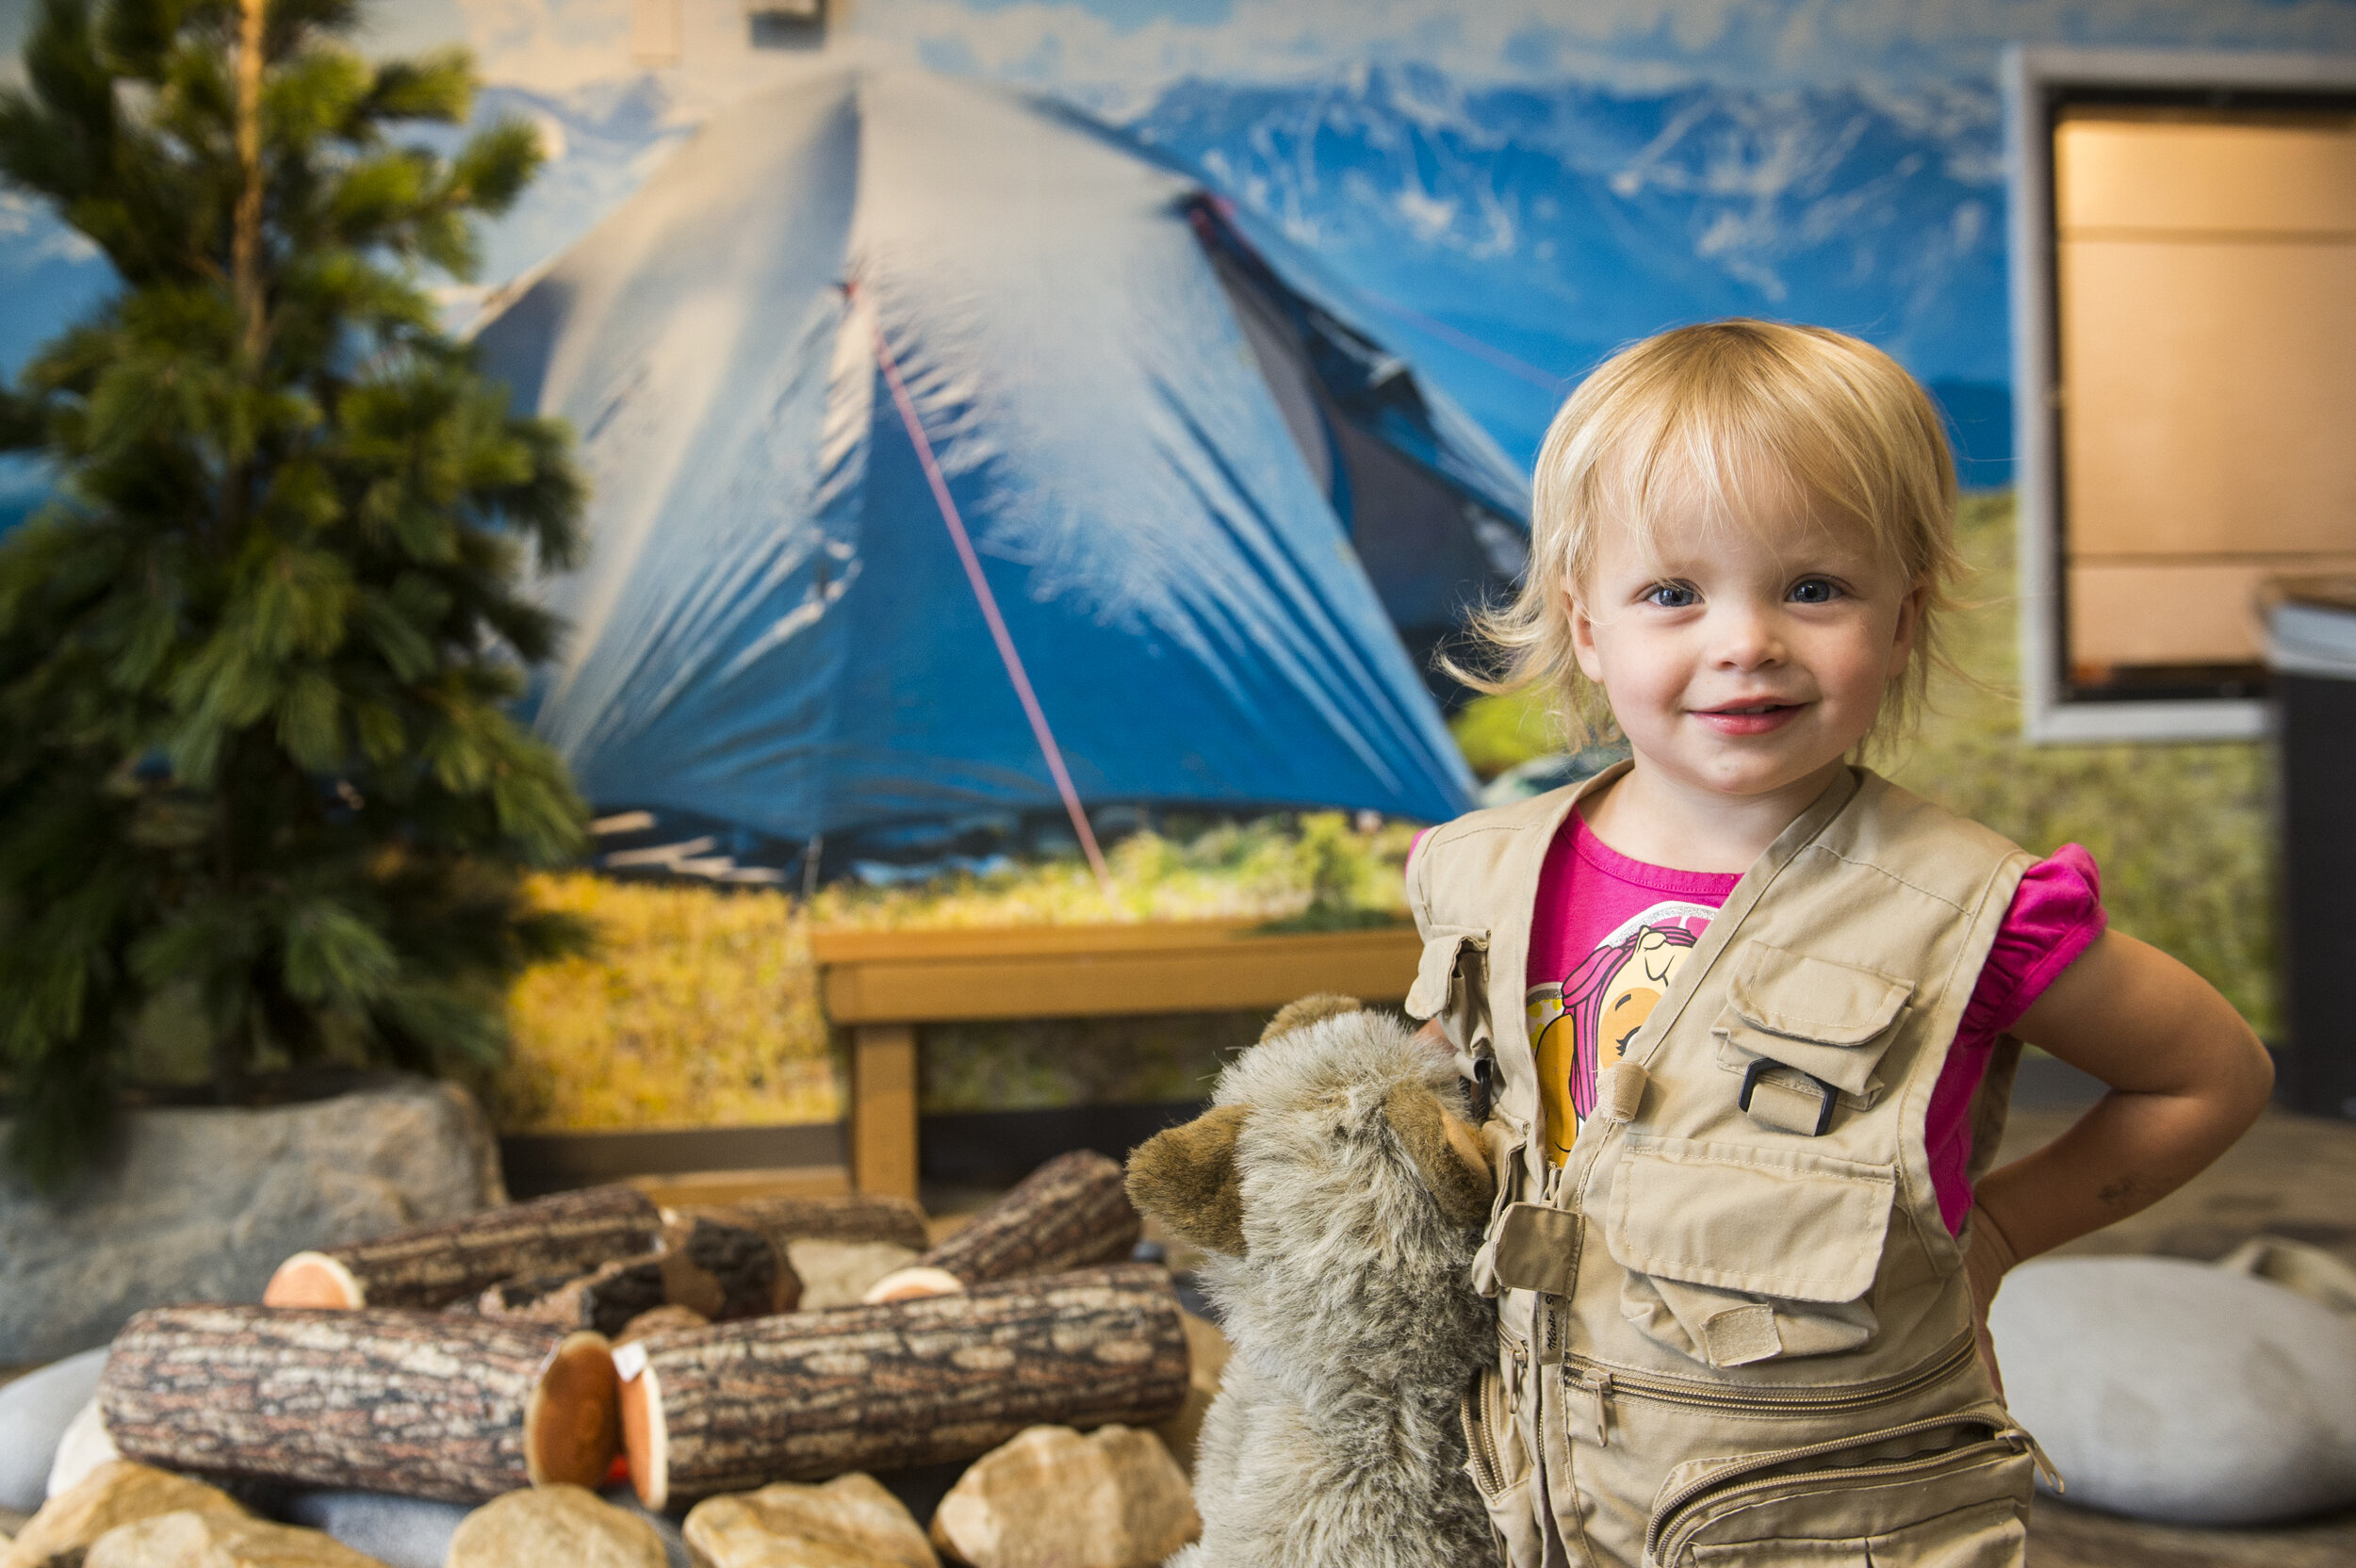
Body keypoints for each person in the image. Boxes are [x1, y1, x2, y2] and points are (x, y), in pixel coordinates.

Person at [1402, 319, 2274, 1568]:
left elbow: (2213, 1075)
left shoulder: (1976, 905)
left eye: (1813, 589)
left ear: (1904, 617)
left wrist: (2009, 1232)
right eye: (1672, 594)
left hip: (1838, 1516)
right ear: (1588, 627)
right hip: (1539, 1488)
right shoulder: (1476, 873)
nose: (1745, 640)